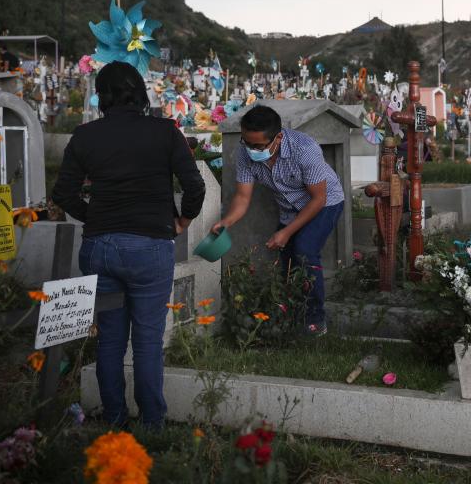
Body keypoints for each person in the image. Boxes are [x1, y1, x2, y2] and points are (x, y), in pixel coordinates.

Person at [52, 61, 205, 428]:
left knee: (109, 340)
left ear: (101, 95)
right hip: (150, 246)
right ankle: (152, 424)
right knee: (148, 342)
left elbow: (63, 193)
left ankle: (115, 421)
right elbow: (195, 187)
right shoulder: (166, 132)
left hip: (100, 248)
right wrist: (182, 221)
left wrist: (96, 218)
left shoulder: (85, 136)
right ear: (140, 92)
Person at [212, 105, 344, 335]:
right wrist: (226, 222)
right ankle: (292, 314)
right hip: (289, 209)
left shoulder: (305, 149)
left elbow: (318, 199)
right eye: (247, 143)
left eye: (258, 146)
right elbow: (243, 197)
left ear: (278, 137)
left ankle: (315, 320)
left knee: (304, 250)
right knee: (287, 262)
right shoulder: (245, 153)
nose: (252, 150)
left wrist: (286, 232)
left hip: (324, 203)